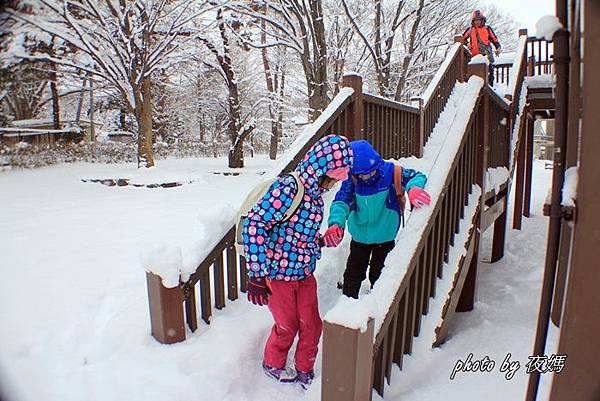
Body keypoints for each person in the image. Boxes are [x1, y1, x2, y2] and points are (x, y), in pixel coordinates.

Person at [242, 134, 353, 389]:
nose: (332, 185)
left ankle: (305, 369)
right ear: (321, 169)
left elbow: (298, 235)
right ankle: (273, 363)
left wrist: (323, 241)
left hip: (303, 274)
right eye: (331, 179)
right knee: (287, 326)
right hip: (278, 276)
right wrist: (257, 275)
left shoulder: (315, 196)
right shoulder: (288, 188)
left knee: (312, 325)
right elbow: (255, 224)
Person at [323, 140, 431, 299]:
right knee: (353, 272)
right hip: (359, 238)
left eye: (370, 172)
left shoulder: (391, 172)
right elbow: (341, 202)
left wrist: (414, 188)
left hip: (385, 237)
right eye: (361, 174)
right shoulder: (352, 179)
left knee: (380, 274)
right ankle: (347, 304)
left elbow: (416, 176)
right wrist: (335, 223)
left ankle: (378, 305)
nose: (366, 177)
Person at [462, 10, 502, 85]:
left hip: (487, 54)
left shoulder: (487, 28)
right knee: (475, 75)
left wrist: (498, 47)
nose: (477, 21)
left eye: (479, 19)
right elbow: (462, 38)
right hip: (475, 56)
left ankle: (490, 87)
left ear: (482, 20)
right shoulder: (470, 30)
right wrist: (467, 44)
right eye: (476, 20)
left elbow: (494, 39)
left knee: (490, 73)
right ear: (473, 21)